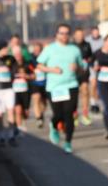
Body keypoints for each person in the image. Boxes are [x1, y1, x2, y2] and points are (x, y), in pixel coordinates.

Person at [36, 23, 85, 154]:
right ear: (56, 34)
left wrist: (77, 68)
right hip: (55, 87)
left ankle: (68, 142)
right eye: (61, 33)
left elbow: (82, 67)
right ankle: (54, 125)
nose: (64, 36)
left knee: (69, 114)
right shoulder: (49, 49)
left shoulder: (74, 49)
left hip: (71, 85)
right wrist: (52, 70)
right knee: (58, 114)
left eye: (66, 33)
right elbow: (39, 65)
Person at [9, 35, 34, 137]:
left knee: (25, 112)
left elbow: (34, 75)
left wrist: (26, 76)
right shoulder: (11, 65)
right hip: (15, 91)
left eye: (19, 54)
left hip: (26, 90)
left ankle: (22, 121)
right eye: (16, 54)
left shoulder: (27, 64)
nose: (18, 56)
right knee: (17, 110)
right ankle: (19, 128)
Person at [72, 28, 94, 126]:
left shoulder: (87, 45)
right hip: (73, 74)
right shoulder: (71, 46)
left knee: (85, 91)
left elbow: (91, 57)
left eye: (82, 35)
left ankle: (85, 114)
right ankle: (74, 114)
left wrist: (88, 61)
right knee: (74, 94)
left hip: (84, 72)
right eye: (78, 35)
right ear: (74, 36)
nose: (80, 37)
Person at [29, 42, 48, 128]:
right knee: (36, 98)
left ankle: (41, 114)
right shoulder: (31, 59)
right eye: (35, 50)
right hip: (35, 83)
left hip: (44, 83)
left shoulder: (46, 58)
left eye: (38, 50)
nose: (37, 51)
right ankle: (38, 118)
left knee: (44, 104)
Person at [86, 25, 103, 115]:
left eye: (97, 32)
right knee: (93, 84)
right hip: (91, 64)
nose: (96, 33)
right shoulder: (87, 40)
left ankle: (97, 102)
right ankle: (93, 103)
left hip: (101, 64)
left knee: (99, 86)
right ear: (92, 32)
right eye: (94, 32)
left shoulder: (103, 40)